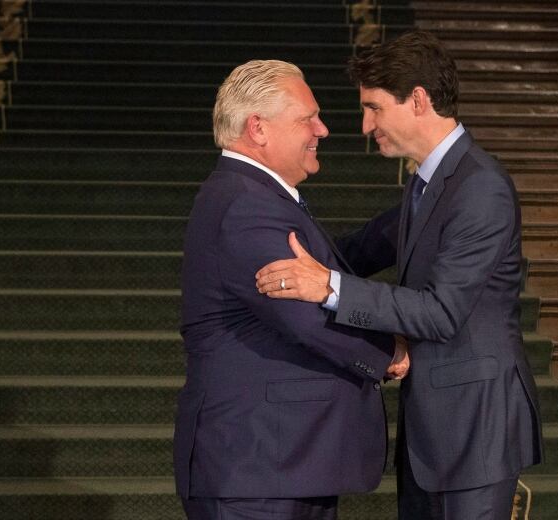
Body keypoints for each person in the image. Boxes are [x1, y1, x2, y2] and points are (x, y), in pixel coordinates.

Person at [255, 31, 543, 520]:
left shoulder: (481, 188)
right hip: (436, 432)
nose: (366, 125)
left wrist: (328, 286)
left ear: (418, 100)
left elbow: (440, 312)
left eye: (374, 108)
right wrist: (269, 235)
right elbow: (359, 249)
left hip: (477, 432)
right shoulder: (428, 180)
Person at [175, 59, 409, 520]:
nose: (322, 129)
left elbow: (326, 266)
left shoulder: (250, 194)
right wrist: (391, 352)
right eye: (308, 118)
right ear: (258, 128)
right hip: (260, 471)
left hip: (276, 467)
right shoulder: (247, 204)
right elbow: (306, 317)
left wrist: (415, 215)